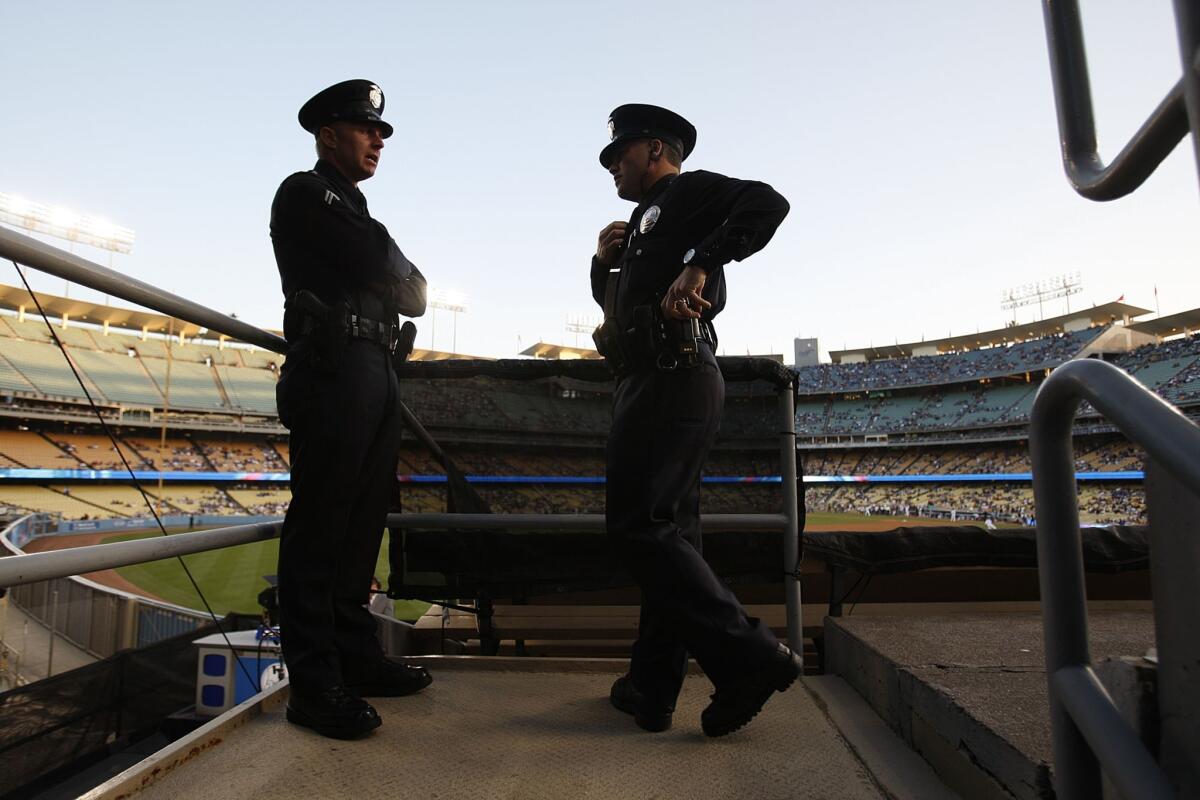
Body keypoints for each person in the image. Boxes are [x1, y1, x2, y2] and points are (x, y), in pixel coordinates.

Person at [590, 103, 797, 737]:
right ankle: (651, 687)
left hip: (674, 372)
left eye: (619, 155)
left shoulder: (689, 189)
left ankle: (750, 658)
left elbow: (769, 204)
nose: (612, 167)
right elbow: (620, 307)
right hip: (651, 374)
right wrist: (604, 262)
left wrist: (703, 260)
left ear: (655, 149)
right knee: (668, 534)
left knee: (640, 528)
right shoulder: (642, 222)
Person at [271, 79, 431, 740]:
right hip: (333, 364)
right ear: (328, 133)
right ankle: (313, 683)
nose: (378, 140)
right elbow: (379, 265)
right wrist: (387, 266)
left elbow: (416, 296)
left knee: (363, 523)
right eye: (367, 129)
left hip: (375, 369)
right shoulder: (306, 192)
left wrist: (387, 267)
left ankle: (356, 660)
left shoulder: (362, 215)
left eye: (382, 133)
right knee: (322, 524)